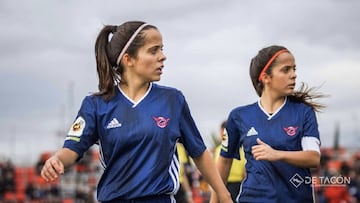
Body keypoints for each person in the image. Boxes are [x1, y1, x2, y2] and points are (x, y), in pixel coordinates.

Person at [40, 21, 232, 203]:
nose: (162, 56)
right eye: (153, 50)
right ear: (128, 59)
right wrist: (56, 160)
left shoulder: (173, 100)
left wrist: (223, 195)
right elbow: (72, 149)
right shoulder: (96, 105)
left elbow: (198, 152)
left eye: (161, 49)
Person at [210, 45, 326, 203]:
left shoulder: (303, 112)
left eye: (294, 69)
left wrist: (277, 154)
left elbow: (313, 158)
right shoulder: (238, 116)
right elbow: (224, 162)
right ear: (266, 77)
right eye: (286, 70)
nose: (294, 75)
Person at [213, 121, 246, 202]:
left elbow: (245, 171)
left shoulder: (241, 150)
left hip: (238, 184)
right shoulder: (218, 150)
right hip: (223, 184)